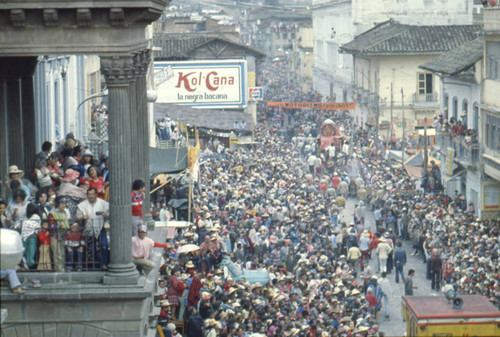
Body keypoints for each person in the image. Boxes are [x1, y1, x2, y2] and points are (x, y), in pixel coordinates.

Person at [76, 188, 109, 269]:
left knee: (104, 245)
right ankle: (93, 265)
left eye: (92, 194)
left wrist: (105, 216)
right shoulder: (82, 205)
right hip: (88, 228)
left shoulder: (103, 203)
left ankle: (103, 263)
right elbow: (77, 217)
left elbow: (108, 217)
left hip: (100, 227)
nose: (91, 196)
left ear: (96, 194)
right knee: (91, 247)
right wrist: (82, 218)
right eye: (89, 194)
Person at [49, 196, 71, 271]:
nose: (64, 205)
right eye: (62, 203)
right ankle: (58, 268)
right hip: (55, 235)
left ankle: (62, 267)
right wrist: (59, 225)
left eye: (65, 204)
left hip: (62, 235)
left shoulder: (64, 212)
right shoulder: (52, 213)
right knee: (56, 253)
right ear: (58, 204)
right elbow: (51, 225)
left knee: (62, 253)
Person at [21, 203, 41, 269]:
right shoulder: (37, 216)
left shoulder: (30, 217)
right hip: (32, 235)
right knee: (31, 251)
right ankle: (30, 264)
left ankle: (28, 264)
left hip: (25, 235)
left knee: (26, 251)